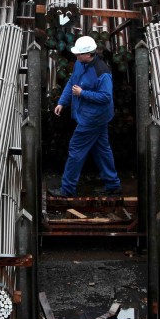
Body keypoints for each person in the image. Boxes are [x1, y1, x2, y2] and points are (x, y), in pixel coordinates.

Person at [48, 35, 121, 197]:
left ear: (88, 54)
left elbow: (106, 97)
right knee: (102, 149)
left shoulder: (102, 73)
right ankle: (113, 184)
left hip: (93, 118)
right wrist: (62, 102)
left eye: (79, 54)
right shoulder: (80, 64)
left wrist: (82, 93)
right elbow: (71, 83)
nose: (76, 56)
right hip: (92, 116)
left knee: (76, 149)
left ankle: (67, 189)